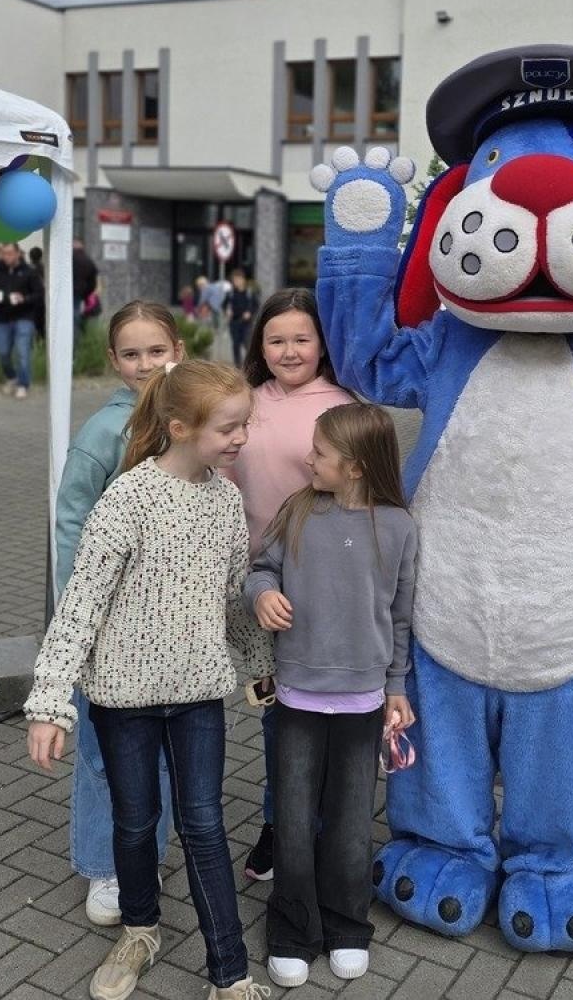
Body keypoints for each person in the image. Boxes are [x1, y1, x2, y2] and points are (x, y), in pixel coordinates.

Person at [24, 359, 273, 1000]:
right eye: (229, 428)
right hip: (124, 701)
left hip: (198, 698)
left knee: (205, 826)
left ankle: (230, 973)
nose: (242, 438)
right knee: (135, 823)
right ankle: (139, 930)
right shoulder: (127, 498)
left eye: (245, 424)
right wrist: (49, 702)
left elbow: (231, 598)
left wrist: (261, 667)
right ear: (181, 427)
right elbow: (81, 604)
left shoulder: (227, 501)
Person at [246, 402, 417, 989]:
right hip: (296, 696)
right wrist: (261, 594)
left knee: (349, 823)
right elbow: (261, 568)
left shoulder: (398, 527)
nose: (308, 458)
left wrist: (396, 687)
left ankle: (347, 924)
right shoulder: (298, 509)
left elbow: (400, 617)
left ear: (356, 466)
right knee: (293, 820)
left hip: (362, 702)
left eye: (320, 452)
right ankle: (293, 930)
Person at [54, 301, 186, 928]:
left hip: (168, 620)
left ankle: (144, 853)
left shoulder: (189, 420)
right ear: (113, 360)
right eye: (131, 354)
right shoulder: (104, 433)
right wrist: (75, 621)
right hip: (107, 623)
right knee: (103, 752)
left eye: (156, 351)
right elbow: (70, 526)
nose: (145, 364)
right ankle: (105, 864)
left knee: (157, 749)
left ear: (178, 350)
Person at [228, 288, 353, 884]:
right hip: (259, 586)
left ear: (323, 343)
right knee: (275, 712)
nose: (289, 350)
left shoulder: (344, 407)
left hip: (324, 588)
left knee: (322, 713)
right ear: (260, 345)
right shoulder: (244, 404)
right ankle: (280, 825)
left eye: (302, 338)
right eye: (276, 339)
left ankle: (324, 826)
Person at [0, 242, 43, 399]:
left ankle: (23, 384)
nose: (6, 257)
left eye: (9, 253)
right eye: (3, 253)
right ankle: (11, 377)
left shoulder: (29, 272)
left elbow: (39, 294)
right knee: (2, 353)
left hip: (24, 316)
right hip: (0, 317)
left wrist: (24, 299)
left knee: (23, 351)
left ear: (18, 253)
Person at [222, 270, 256, 368]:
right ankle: (238, 366)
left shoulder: (249, 292)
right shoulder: (230, 293)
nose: (236, 282)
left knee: (247, 343)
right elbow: (224, 305)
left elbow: (256, 305)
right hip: (234, 322)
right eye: (234, 280)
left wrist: (250, 313)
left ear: (243, 280)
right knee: (236, 344)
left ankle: (250, 365)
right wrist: (227, 311)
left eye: (238, 279)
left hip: (246, 323)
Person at [73, 240, 101, 328]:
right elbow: (95, 277)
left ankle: (75, 333)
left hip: (74, 291)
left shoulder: (70, 260)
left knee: (74, 312)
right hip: (86, 292)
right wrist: (93, 291)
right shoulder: (88, 260)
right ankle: (81, 331)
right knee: (81, 313)